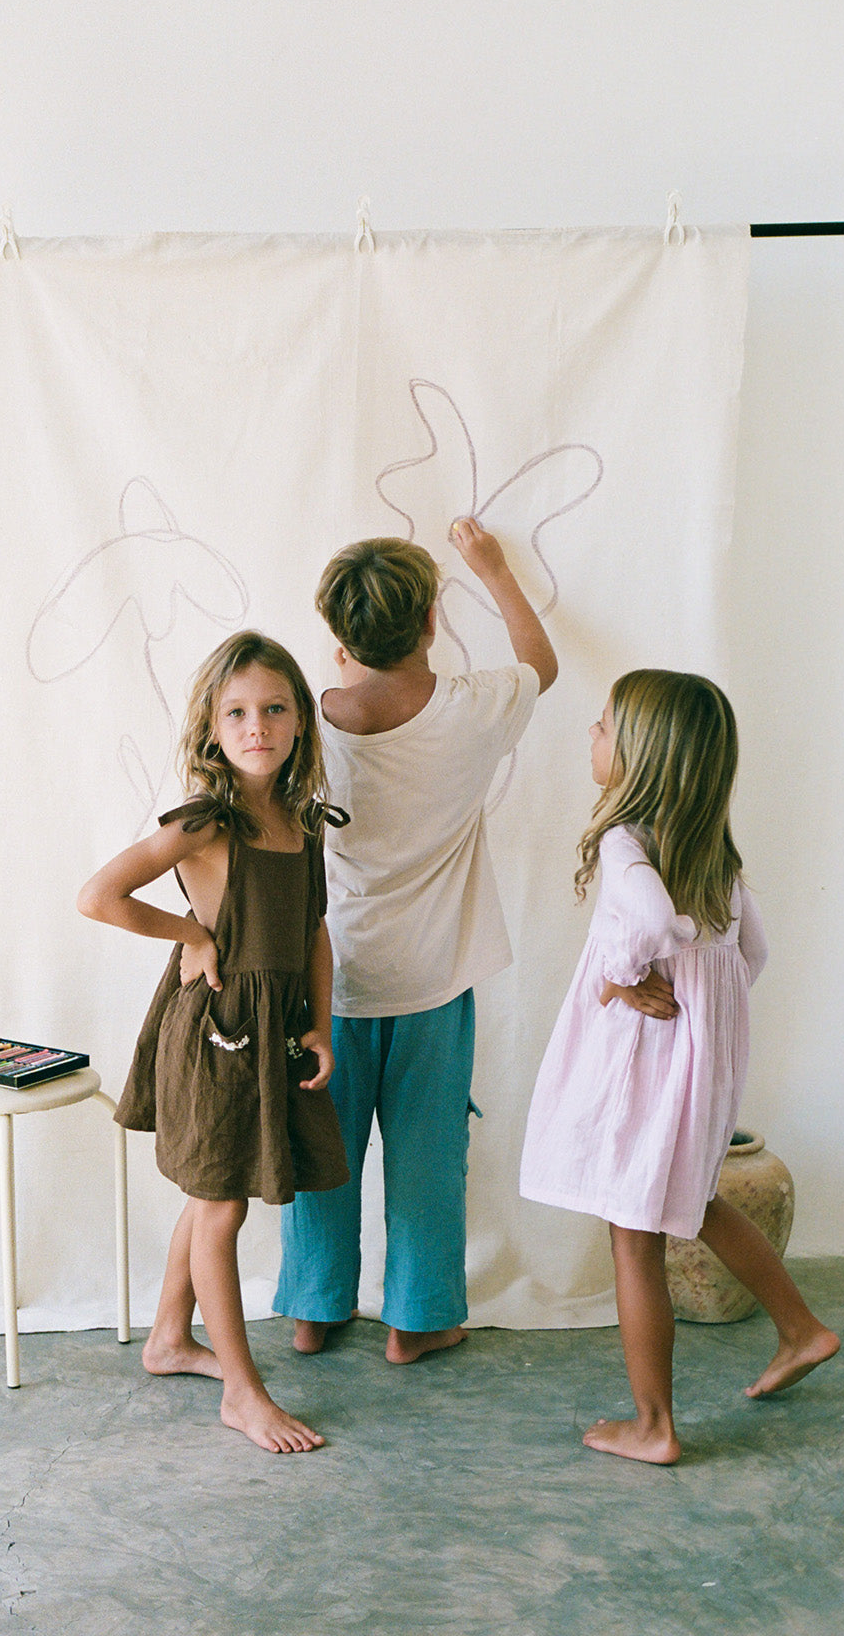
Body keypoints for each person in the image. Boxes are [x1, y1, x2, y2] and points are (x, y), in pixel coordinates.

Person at [520, 670, 839, 1464]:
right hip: (700, 1071)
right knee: (694, 1201)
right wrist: (705, 1008)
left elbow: (655, 920)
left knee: (634, 1239)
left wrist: (624, 974)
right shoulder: (716, 855)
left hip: (645, 1073)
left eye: (601, 728)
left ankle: (654, 1425)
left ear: (639, 759)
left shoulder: (628, 843)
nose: (590, 737)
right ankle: (802, 1329)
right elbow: (753, 954)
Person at [274, 518, 557, 1362]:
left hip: (326, 983)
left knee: (322, 1154)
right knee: (430, 1160)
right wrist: (494, 567)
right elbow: (540, 661)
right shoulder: (473, 709)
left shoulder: (301, 727)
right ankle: (418, 1322)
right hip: (434, 982)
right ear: (432, 622)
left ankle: (315, 1313)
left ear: (335, 634)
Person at [78, 631, 349, 1453]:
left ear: (300, 719)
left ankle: (169, 1338)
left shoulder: (302, 823)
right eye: (236, 713)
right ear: (211, 727)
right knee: (222, 1206)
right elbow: (100, 894)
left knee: (210, 1200)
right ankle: (242, 1390)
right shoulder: (208, 821)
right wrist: (192, 933)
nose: (256, 726)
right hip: (217, 1038)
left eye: (273, 709)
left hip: (274, 1036)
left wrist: (320, 1020)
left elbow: (314, 933)